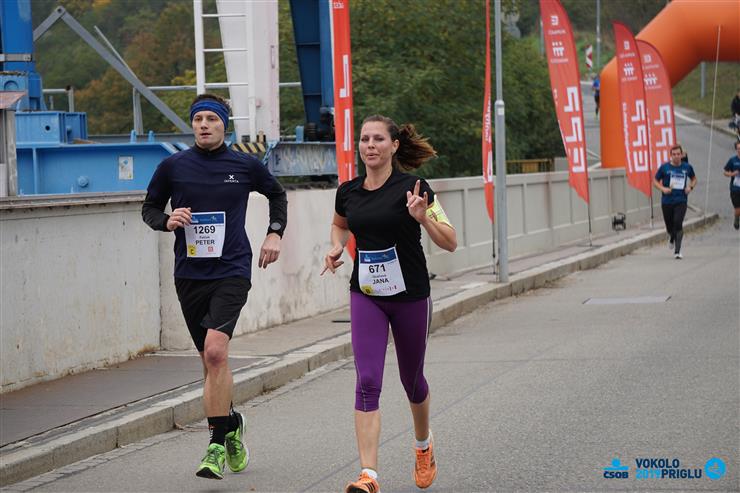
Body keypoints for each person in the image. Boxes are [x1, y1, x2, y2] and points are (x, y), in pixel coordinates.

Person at [141, 93, 287, 480]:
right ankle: (232, 421)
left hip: (232, 270)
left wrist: (274, 233)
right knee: (209, 363)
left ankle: (215, 446)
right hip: (190, 274)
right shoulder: (173, 167)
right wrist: (167, 221)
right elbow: (149, 208)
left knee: (216, 352)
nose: (204, 125)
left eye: (212, 119)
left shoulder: (244, 165)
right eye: (198, 119)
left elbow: (277, 193)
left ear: (225, 125)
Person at [323, 115, 456, 493]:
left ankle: (423, 445)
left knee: (412, 380)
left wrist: (423, 219)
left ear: (394, 145)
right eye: (365, 139)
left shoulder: (416, 188)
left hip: (410, 296)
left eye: (378, 139)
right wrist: (335, 246)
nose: (370, 145)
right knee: (367, 381)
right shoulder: (348, 191)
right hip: (366, 294)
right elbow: (340, 224)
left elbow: (450, 241)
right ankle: (369, 475)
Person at [653, 144, 697, 259]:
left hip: (681, 200)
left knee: (678, 223)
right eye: (674, 154)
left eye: (678, 154)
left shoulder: (687, 167)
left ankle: (677, 251)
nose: (676, 156)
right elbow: (655, 181)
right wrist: (663, 189)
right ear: (670, 156)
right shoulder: (664, 167)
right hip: (667, 201)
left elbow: (694, 179)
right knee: (669, 227)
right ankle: (672, 237)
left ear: (682, 155)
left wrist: (690, 187)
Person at [722, 140, 740, 230]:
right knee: (738, 208)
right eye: (738, 148)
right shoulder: (732, 160)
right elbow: (725, 172)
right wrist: (732, 174)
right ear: (736, 149)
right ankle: (737, 218)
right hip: (735, 189)